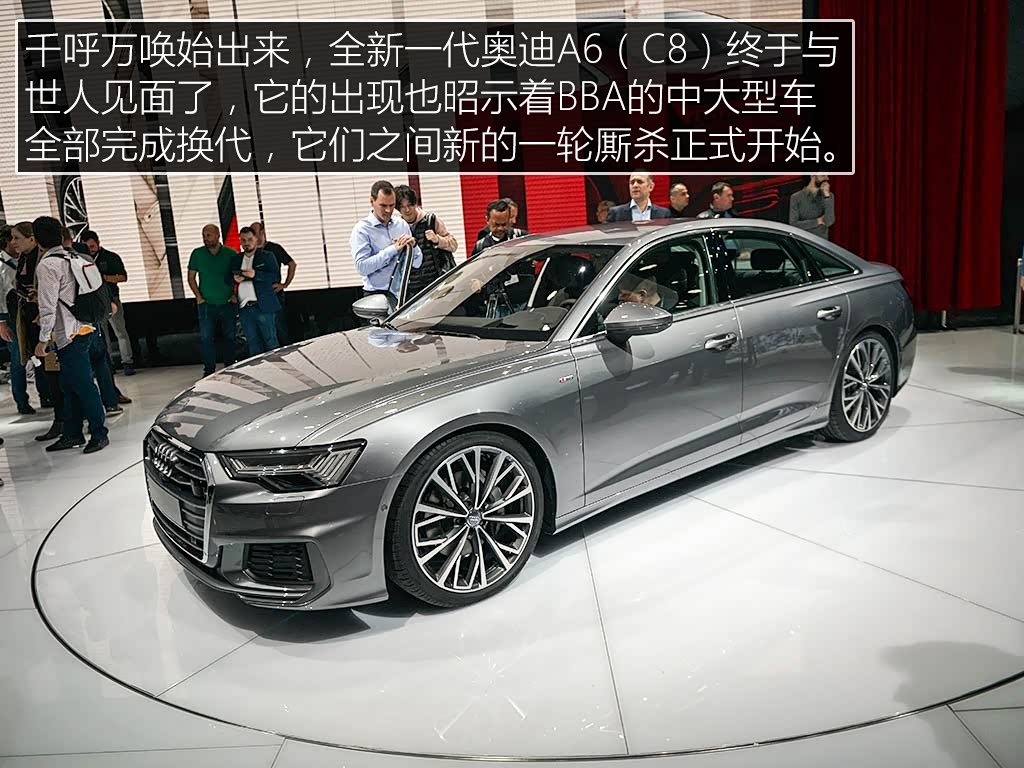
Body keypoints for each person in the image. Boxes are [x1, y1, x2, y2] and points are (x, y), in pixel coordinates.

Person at [32, 216, 108, 453]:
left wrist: (43, 339)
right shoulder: (74, 257)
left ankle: (99, 433)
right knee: (70, 385)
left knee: (82, 386)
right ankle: (73, 433)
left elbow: (47, 306)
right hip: (86, 327)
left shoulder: (47, 265)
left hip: (68, 333)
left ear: (37, 240)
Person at [350, 180, 423, 297]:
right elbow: (362, 267)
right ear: (372, 201)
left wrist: (413, 247)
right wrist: (393, 250)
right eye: (383, 206)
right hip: (376, 295)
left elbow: (417, 264)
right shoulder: (361, 230)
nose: (388, 210)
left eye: (392, 205)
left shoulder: (401, 225)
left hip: (404, 293)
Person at [80, 229, 134, 375]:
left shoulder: (110, 257)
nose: (90, 250)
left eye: (92, 246)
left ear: (98, 242)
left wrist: (104, 278)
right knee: (102, 335)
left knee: (120, 331)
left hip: (112, 299)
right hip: (95, 302)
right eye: (87, 247)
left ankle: (127, 362)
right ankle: (107, 364)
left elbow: (123, 277)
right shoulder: (83, 260)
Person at [188, 224, 238, 377]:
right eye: (204, 235)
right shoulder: (197, 254)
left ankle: (230, 367)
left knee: (230, 336)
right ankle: (209, 370)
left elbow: (239, 277)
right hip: (206, 304)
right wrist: (198, 296)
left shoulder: (231, 253)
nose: (205, 238)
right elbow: (191, 277)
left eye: (208, 235)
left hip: (227, 303)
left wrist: (235, 294)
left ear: (217, 235)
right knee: (206, 338)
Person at [394, 185, 459, 297]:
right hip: (411, 287)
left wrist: (437, 240)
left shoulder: (431, 220)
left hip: (436, 282)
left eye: (409, 205)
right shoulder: (397, 227)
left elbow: (453, 245)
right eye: (402, 207)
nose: (407, 210)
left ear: (415, 204)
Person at [0, 225, 34, 414]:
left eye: (17, 238)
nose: (15, 242)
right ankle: (22, 401)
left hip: (28, 312)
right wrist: (1, 323)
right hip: (11, 317)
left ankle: (46, 395)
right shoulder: (1, 265)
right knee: (17, 358)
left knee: (37, 354)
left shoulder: (24, 259)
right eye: (12, 238)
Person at [232, 226, 282, 356]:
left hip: (263, 306)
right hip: (244, 307)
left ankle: (276, 367)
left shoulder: (267, 256)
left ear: (256, 239)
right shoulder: (236, 259)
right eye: (243, 240)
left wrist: (256, 275)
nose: (246, 243)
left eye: (249, 239)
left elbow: (275, 277)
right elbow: (228, 278)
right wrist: (235, 280)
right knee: (252, 344)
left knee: (271, 341)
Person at [250, 221, 297, 343]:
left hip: (274, 293)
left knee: (279, 327)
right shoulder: (250, 251)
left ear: (262, 232)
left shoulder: (274, 248)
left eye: (255, 232)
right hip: (256, 295)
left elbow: (291, 264)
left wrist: (285, 284)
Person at [606, 171, 671, 222]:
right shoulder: (616, 213)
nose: (635, 185)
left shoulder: (663, 214)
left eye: (640, 182)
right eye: (632, 182)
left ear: (651, 187)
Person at [789, 175, 835, 240]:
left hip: (821, 242)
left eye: (827, 176)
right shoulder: (796, 197)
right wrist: (818, 221)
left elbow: (829, 222)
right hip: (802, 240)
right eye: (823, 175)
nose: (827, 178)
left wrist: (827, 197)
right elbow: (793, 224)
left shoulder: (829, 195)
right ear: (813, 176)